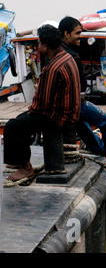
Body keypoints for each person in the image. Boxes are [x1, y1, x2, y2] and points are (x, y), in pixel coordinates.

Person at [4, 24, 81, 181]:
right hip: (70, 112)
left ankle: (25, 168)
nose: (38, 46)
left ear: (45, 46)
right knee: (21, 120)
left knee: (12, 127)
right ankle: (20, 159)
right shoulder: (67, 57)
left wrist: (30, 112)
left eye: (39, 43)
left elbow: (41, 106)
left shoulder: (52, 68)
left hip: (57, 117)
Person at [58, 16, 106, 176]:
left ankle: (99, 151)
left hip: (61, 104)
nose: (80, 37)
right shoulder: (72, 56)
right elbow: (82, 86)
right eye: (77, 33)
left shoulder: (54, 53)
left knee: (83, 127)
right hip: (73, 103)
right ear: (66, 34)